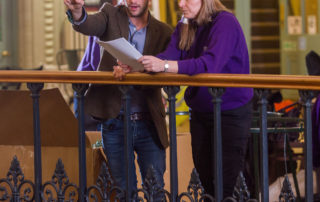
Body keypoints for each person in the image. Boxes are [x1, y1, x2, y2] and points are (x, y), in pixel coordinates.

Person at [136, 0, 254, 198]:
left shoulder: (225, 22)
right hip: (201, 111)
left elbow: (210, 64)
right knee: (206, 180)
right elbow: (169, 55)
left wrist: (164, 66)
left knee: (227, 183)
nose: (181, 4)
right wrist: (137, 64)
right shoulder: (186, 23)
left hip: (230, 112)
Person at [63, 0, 173, 195]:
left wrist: (140, 73)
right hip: (114, 122)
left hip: (149, 123)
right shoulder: (110, 14)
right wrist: (78, 11)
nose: (133, 1)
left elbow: (172, 81)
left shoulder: (164, 32)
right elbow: (88, 24)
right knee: (122, 191)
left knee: (155, 191)